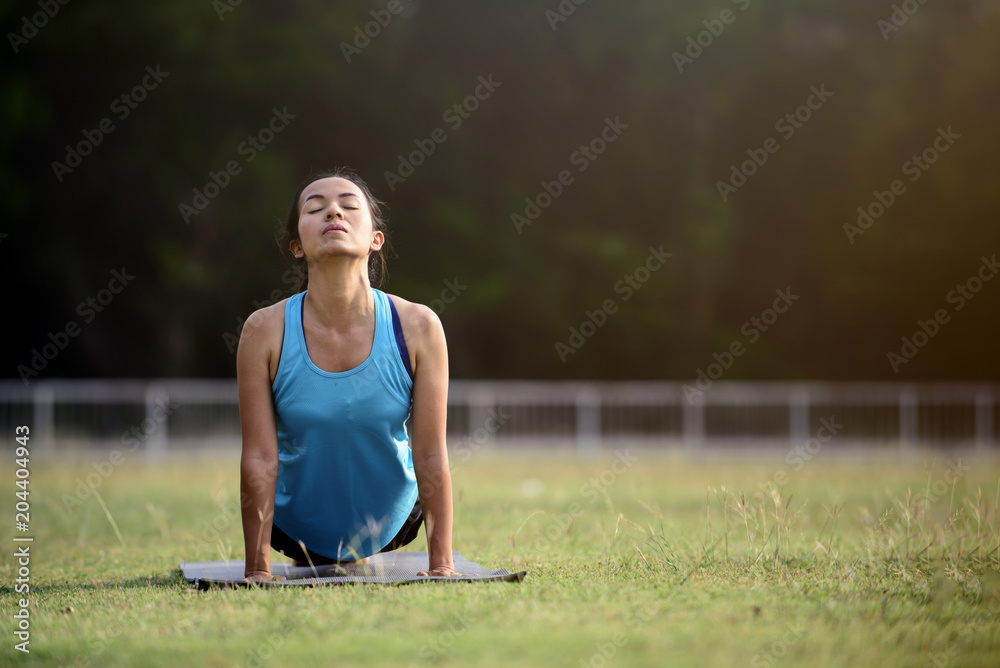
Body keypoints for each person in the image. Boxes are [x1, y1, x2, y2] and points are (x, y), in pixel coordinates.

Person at [237, 168, 460, 582]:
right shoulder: (262, 330)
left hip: (394, 526)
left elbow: (431, 453)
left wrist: (442, 566)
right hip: (291, 529)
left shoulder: (418, 326)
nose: (333, 212)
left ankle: (353, 552)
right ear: (296, 247)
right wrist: (257, 570)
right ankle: (320, 550)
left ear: (376, 239)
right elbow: (260, 458)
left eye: (349, 206)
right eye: (315, 208)